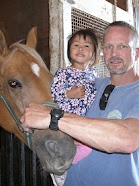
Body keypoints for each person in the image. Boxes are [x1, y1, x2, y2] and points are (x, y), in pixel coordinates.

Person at [20, 21, 139, 186]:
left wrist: (54, 118)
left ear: (136, 53)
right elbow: (59, 101)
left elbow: (129, 139)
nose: (114, 53)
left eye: (122, 46)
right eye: (109, 47)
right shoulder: (90, 84)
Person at [50, 28, 100, 185]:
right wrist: (68, 94)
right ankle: (61, 169)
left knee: (87, 148)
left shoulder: (94, 76)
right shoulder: (63, 73)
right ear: (69, 50)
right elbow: (52, 94)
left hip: (84, 123)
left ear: (94, 53)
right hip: (66, 121)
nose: (80, 48)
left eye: (86, 46)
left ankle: (65, 166)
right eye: (76, 45)